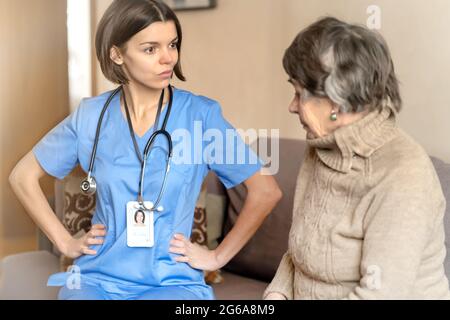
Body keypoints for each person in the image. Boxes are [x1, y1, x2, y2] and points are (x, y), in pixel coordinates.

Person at [9, 0, 282, 300]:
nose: (168, 58)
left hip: (172, 283)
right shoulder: (91, 117)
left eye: (172, 45)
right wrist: (64, 242)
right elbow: (22, 176)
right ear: (117, 54)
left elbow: (266, 191)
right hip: (96, 280)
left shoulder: (200, 117)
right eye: (150, 49)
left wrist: (217, 258)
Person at [264, 17, 450, 300]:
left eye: (299, 93)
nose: (292, 106)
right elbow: (298, 255)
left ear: (336, 102)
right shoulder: (321, 148)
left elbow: (380, 295)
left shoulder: (403, 174)